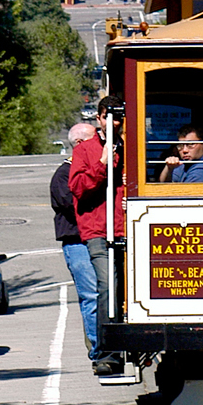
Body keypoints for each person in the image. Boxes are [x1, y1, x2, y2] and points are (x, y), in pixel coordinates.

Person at [69, 95, 125, 376]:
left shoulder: (132, 147)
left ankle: (129, 342)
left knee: (128, 288)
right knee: (107, 287)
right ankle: (107, 352)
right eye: (109, 116)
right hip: (99, 232)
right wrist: (103, 164)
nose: (114, 122)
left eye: (119, 117)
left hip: (127, 227)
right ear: (99, 119)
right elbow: (78, 188)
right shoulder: (85, 150)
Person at [50, 122, 100, 368]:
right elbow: (74, 204)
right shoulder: (64, 174)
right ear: (80, 144)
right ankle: (98, 349)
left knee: (104, 294)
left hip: (98, 239)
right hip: (78, 243)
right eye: (94, 139)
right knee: (90, 294)